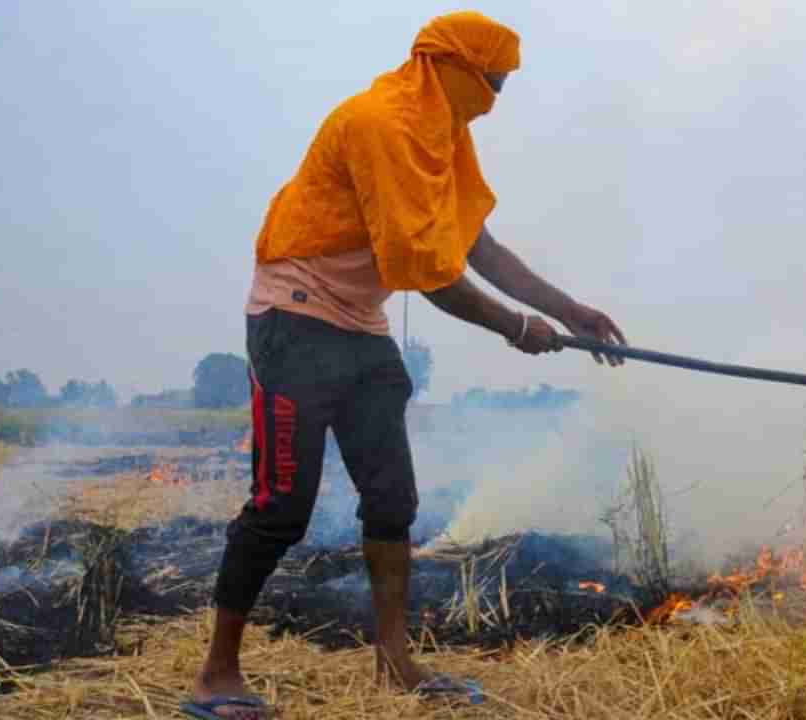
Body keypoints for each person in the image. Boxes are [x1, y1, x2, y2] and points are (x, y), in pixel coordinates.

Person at [183, 11, 626, 719]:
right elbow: (425, 270)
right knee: (281, 508)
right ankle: (215, 674)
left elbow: (474, 244)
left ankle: (395, 662)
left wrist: (570, 311)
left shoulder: (440, 135)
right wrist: (516, 326)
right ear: (451, 68)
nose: (496, 99)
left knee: (393, 502)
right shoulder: (383, 123)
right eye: (494, 82)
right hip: (294, 319)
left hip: (359, 325)